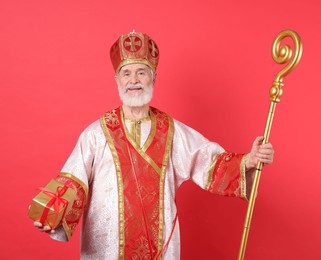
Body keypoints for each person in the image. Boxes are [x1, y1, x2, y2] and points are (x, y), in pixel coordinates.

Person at [33, 31, 274, 260]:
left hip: (160, 246)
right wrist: (53, 214)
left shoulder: (172, 131)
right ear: (117, 80)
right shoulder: (96, 133)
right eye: (126, 73)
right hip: (107, 246)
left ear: (153, 78)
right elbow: (74, 182)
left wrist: (249, 161)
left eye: (141, 72)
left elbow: (210, 164)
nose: (134, 81)